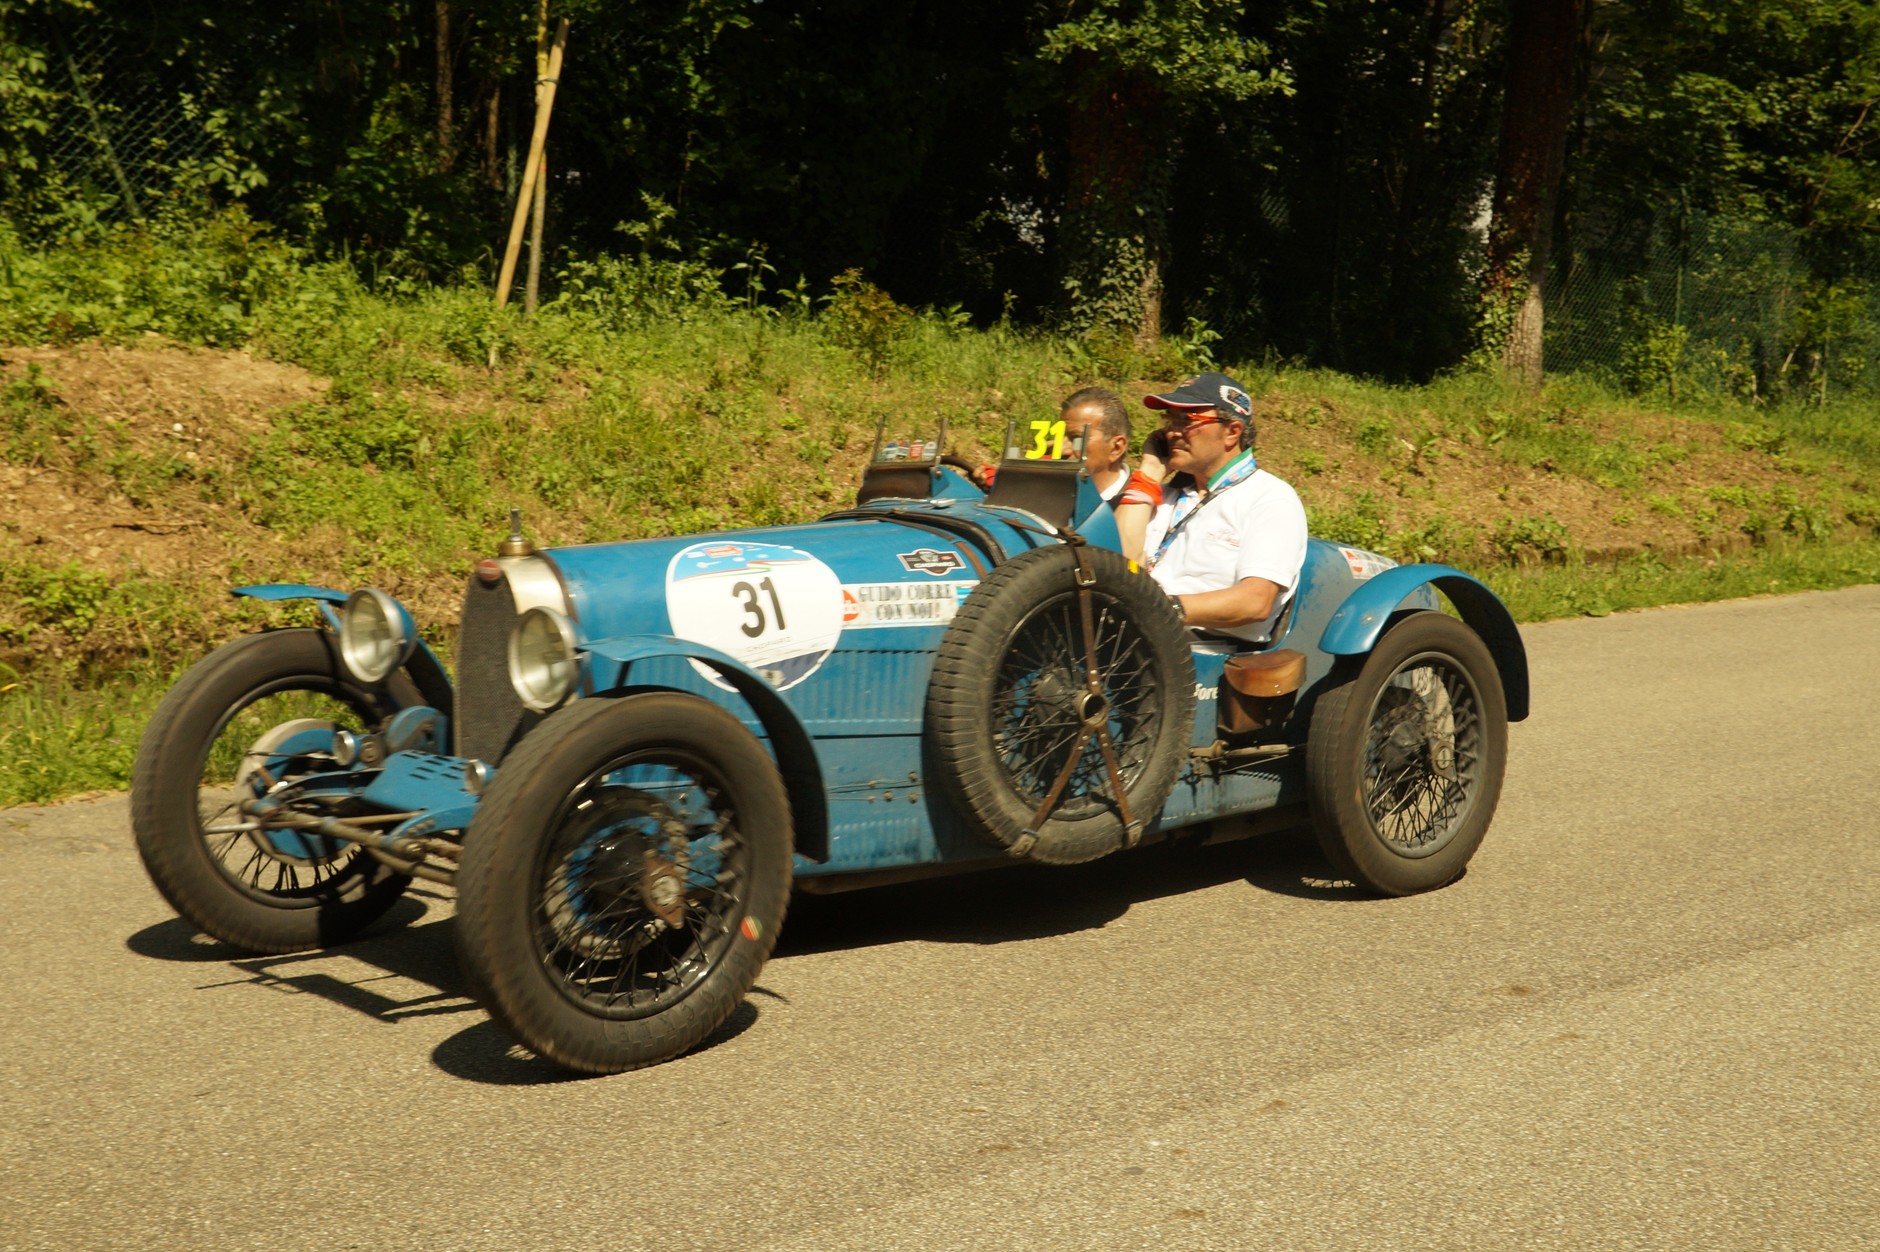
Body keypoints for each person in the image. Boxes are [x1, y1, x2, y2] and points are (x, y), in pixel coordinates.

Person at [1118, 372, 1307, 646]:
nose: (1171, 431)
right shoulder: (1165, 494)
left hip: (1199, 650)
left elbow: (1256, 602)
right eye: (1169, 419)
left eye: (1187, 420)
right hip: (1134, 637)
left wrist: (1162, 608)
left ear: (1232, 432)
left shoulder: (1270, 497)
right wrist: (1147, 475)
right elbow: (1118, 565)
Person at [1057, 386, 1132, 505]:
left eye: (1077, 438)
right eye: (1058, 437)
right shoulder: (1048, 495)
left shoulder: (1143, 507)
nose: (1061, 449)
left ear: (1116, 448)